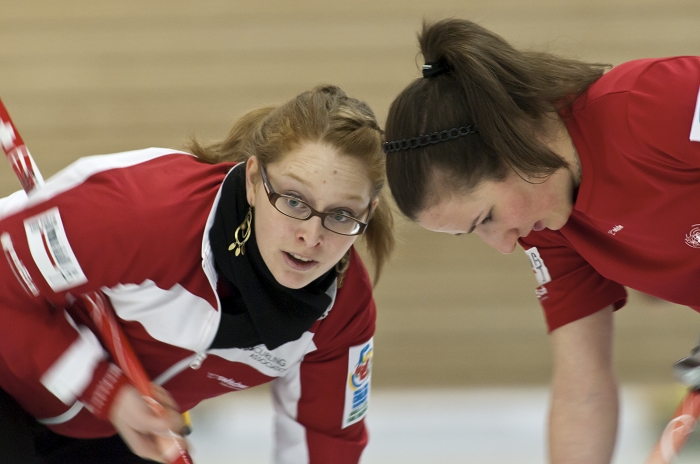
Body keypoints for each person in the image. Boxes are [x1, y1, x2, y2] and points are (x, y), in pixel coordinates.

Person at [0, 84, 394, 463]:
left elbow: (326, 440)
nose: (311, 235)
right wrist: (105, 390)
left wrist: (112, 403)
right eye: (293, 200)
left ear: (368, 212)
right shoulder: (143, 214)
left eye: (341, 215)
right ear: (255, 180)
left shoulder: (342, 312)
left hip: (110, 431)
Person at [382, 18, 700, 464]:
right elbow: (582, 387)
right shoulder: (550, 230)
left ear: (510, 144)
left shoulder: (652, 101)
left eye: (486, 218)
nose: (503, 244)